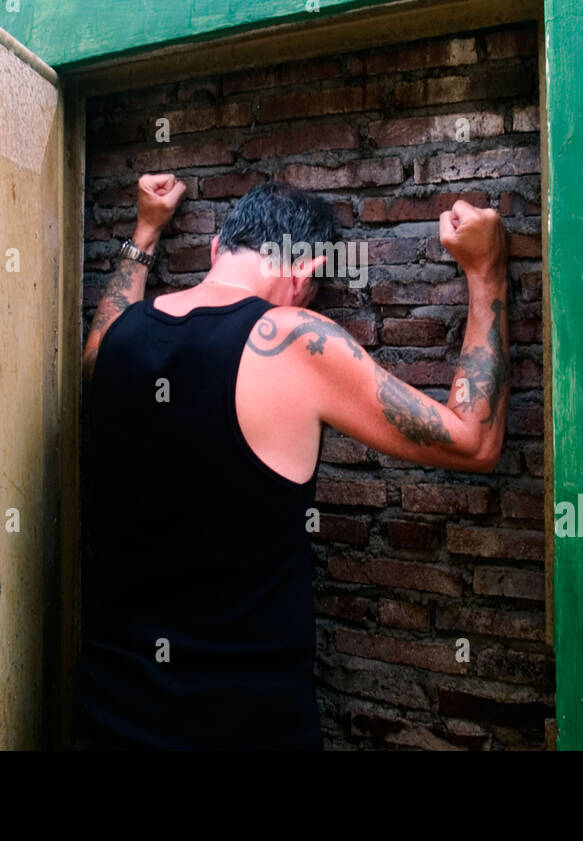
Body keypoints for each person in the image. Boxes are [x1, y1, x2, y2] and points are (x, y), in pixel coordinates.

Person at [74, 173, 509, 750]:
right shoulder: (290, 338)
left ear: (214, 250)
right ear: (304, 273)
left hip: (105, 714)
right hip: (241, 730)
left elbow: (114, 310)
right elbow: (472, 438)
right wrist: (487, 273)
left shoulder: (113, 342)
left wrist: (146, 231)